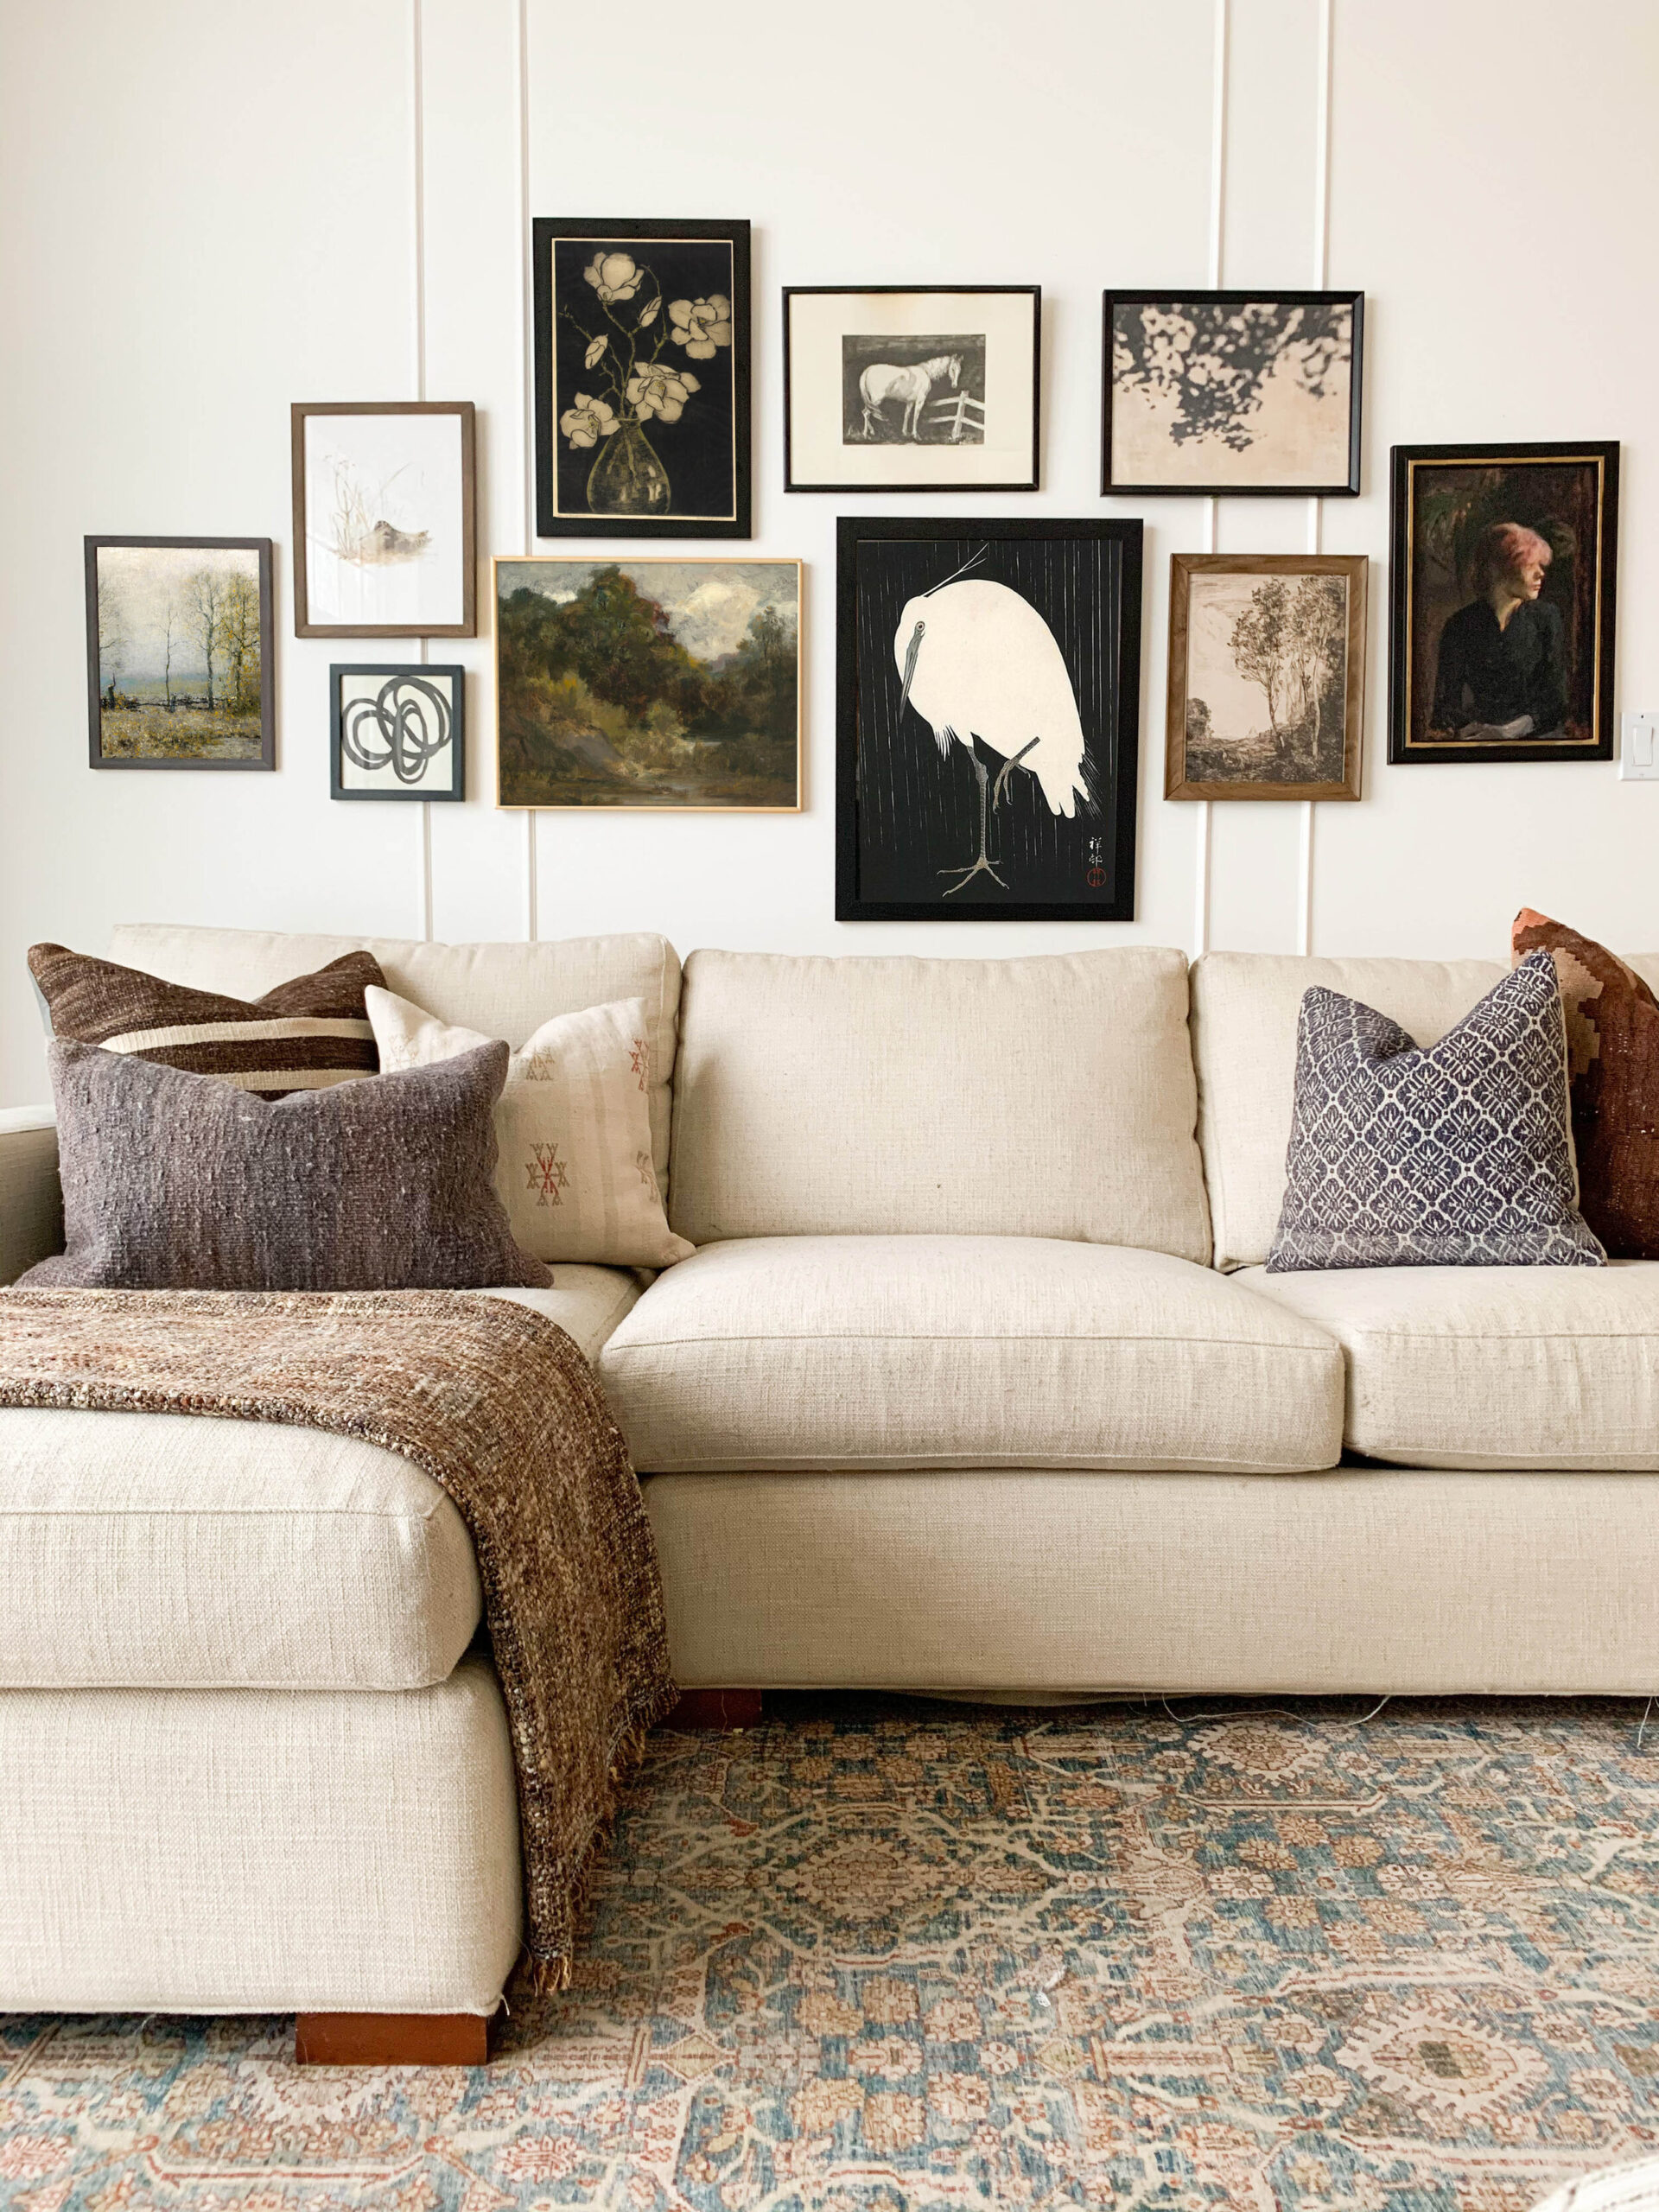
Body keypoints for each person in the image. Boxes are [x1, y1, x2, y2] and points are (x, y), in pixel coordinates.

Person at [1429, 521, 1567, 741]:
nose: (1540, 574)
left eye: (1541, 566)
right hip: (1477, 741)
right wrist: (1467, 731)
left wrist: (1510, 730)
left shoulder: (1546, 618)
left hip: (1539, 743)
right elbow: (1447, 706)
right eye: (1530, 565)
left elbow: (1557, 700)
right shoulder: (1461, 625)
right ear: (1500, 568)